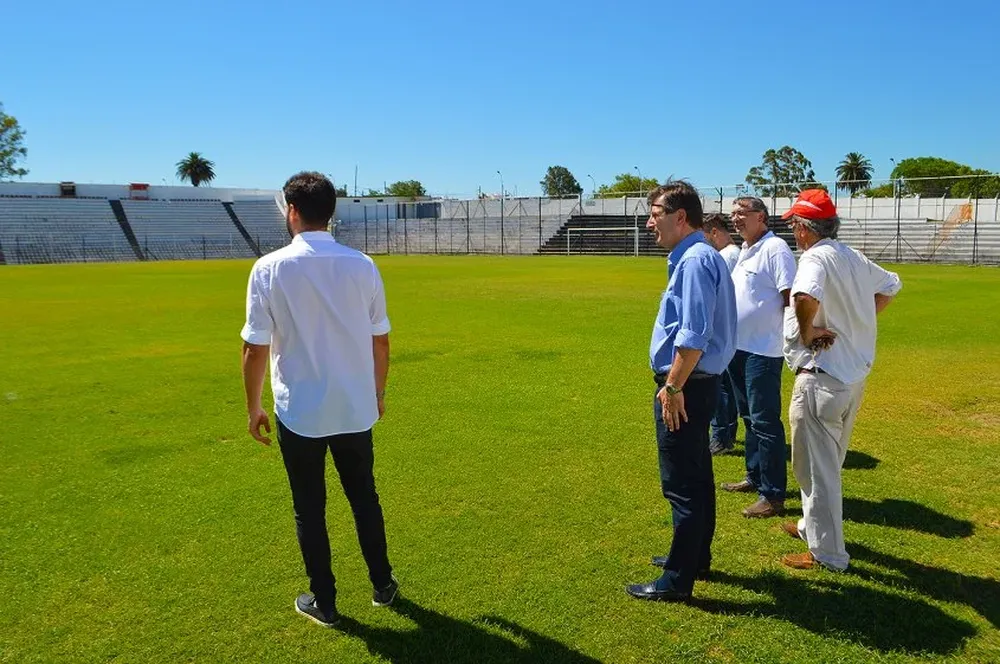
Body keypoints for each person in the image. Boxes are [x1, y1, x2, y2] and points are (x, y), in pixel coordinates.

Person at [240, 171, 398, 628]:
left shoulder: (268, 268)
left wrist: (253, 407)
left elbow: (254, 347)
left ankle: (324, 602)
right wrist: (377, 393)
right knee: (364, 498)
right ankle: (383, 584)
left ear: (292, 211)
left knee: (310, 507)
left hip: (300, 412)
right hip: (353, 407)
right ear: (331, 212)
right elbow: (381, 340)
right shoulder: (362, 265)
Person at [778, 189, 901, 571]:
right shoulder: (853, 256)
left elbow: (804, 296)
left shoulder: (815, 257)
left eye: (795, 225)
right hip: (851, 378)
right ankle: (810, 528)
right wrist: (858, 319)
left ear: (804, 228)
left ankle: (828, 555)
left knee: (817, 470)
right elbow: (892, 284)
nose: (794, 232)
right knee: (826, 463)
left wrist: (808, 333)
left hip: (822, 378)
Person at [626, 181, 736, 603]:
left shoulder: (693, 261)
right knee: (698, 475)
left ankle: (677, 579)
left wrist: (673, 386)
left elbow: (693, 335)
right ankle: (694, 557)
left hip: (687, 384)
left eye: (656, 213)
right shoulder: (700, 256)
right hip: (699, 382)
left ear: (680, 217)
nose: (649, 222)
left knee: (682, 483)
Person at [720, 196, 797, 518]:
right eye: (733, 213)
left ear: (761, 216)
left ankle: (773, 495)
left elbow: (790, 295)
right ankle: (754, 476)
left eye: (742, 213)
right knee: (749, 418)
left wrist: (793, 338)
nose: (735, 218)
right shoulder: (746, 250)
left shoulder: (775, 248)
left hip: (764, 350)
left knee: (765, 422)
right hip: (739, 347)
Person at [702, 213, 741, 454]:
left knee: (721, 387)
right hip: (730, 330)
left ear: (714, 232)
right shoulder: (734, 254)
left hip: (722, 330)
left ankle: (721, 436)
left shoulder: (726, 257)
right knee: (727, 386)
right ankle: (726, 434)